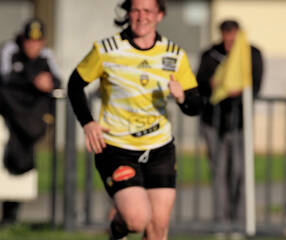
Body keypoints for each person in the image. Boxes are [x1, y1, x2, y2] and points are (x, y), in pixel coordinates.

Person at [67, 0, 202, 239]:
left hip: (159, 147)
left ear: (160, 15)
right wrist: (87, 122)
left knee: (158, 227)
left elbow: (195, 105)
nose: (142, 17)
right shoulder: (106, 49)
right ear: (128, 13)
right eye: (136, 10)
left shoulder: (174, 54)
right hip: (117, 147)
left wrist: (182, 98)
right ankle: (117, 229)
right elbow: (75, 85)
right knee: (136, 220)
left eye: (148, 11)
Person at [196, 19, 263, 224]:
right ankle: (221, 220)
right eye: (226, 35)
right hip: (213, 123)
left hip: (239, 122)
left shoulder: (251, 54)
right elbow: (199, 83)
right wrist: (213, 85)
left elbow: (256, 84)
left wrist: (239, 91)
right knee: (219, 172)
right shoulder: (210, 55)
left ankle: (241, 219)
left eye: (233, 35)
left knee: (240, 171)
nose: (229, 40)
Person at [0, 18, 60, 224]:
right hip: (9, 119)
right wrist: (32, 81)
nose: (32, 46)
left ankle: (11, 217)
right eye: (29, 41)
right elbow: (4, 79)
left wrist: (48, 84)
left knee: (20, 162)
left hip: (31, 124)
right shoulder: (9, 51)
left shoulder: (46, 57)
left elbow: (58, 83)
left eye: (37, 42)